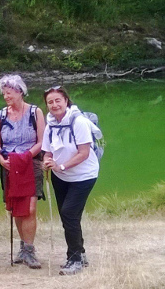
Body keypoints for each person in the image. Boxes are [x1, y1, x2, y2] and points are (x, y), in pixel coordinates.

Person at [42, 86, 100, 275]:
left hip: (84, 175)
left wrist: (62, 166)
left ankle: (73, 259)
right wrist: (47, 161)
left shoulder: (79, 122)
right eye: (50, 102)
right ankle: (80, 254)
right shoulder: (50, 123)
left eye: (58, 100)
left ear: (66, 101)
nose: (54, 105)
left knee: (69, 213)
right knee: (68, 217)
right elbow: (47, 150)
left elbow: (84, 153)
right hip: (61, 177)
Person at [0, 74, 46, 269]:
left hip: (30, 163)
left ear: (20, 92)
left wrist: (25, 157)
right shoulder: (1, 115)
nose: (6, 96)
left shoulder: (35, 112)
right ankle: (23, 248)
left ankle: (30, 250)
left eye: (10, 93)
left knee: (29, 208)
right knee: (16, 208)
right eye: (4, 93)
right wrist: (2, 160)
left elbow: (41, 141)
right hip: (9, 165)